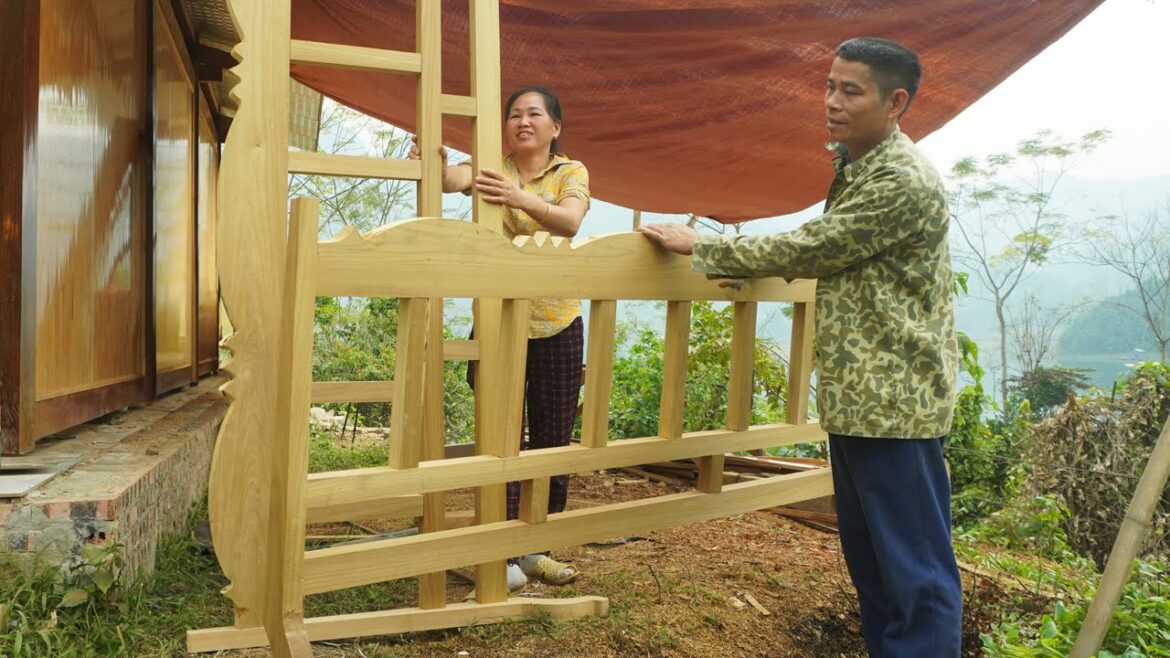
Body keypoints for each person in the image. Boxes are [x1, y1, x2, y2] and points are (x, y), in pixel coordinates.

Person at [638, 37, 962, 657]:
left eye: (850, 90)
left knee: (915, 572)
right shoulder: (860, 165)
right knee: (875, 567)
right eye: (829, 86)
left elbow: (816, 246)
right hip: (862, 400)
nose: (831, 102)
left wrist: (702, 246)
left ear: (895, 101)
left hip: (898, 404)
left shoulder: (901, 178)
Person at [410, 85, 588, 593]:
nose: (523, 121)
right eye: (514, 114)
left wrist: (519, 199)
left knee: (553, 437)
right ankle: (500, 551)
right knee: (500, 437)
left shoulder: (570, 173)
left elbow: (571, 221)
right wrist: (436, 162)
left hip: (557, 321)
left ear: (555, 127)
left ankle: (537, 548)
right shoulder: (493, 165)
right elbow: (452, 180)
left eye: (535, 114)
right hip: (495, 320)